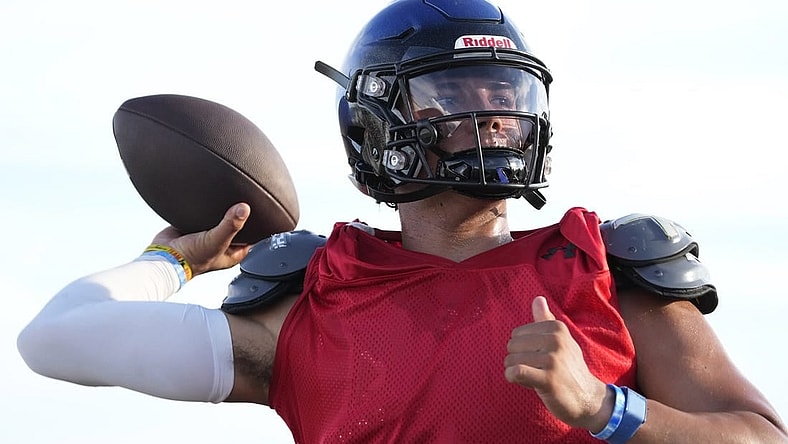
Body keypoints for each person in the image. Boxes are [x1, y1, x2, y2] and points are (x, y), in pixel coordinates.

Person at [17, 0, 787, 443]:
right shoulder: (307, 303)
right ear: (376, 122)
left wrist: (604, 407)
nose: (493, 117)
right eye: (457, 96)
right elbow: (53, 339)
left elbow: (762, 438)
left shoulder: (609, 272)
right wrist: (177, 263)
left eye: (504, 95)